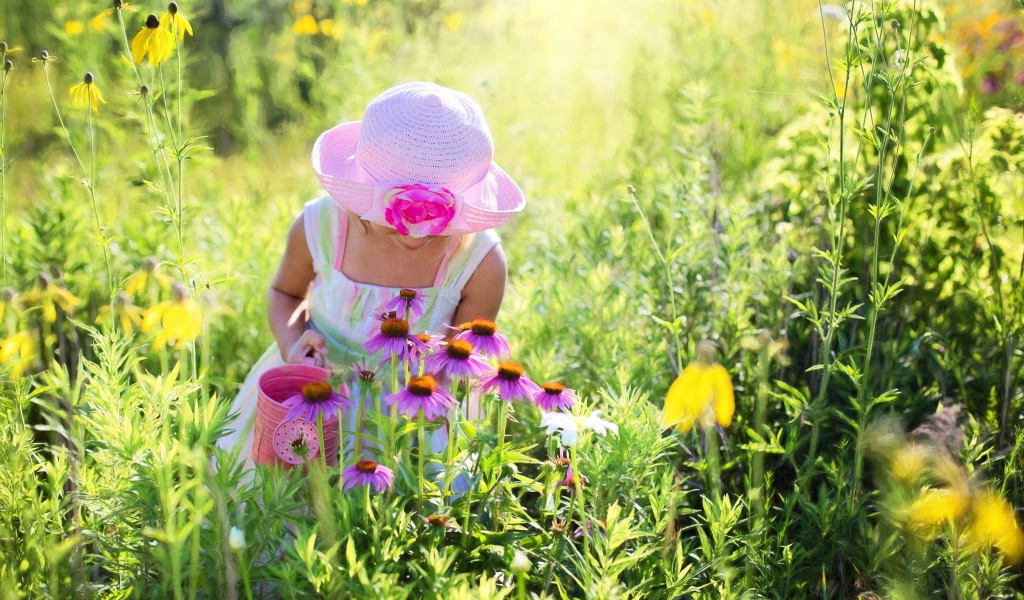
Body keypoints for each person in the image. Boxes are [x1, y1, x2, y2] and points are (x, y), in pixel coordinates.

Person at [216, 81, 525, 472]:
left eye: (434, 221)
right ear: (360, 193)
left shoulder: (479, 262)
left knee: (401, 513)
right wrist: (293, 345)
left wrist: (438, 391)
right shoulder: (321, 228)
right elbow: (284, 293)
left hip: (408, 412)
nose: (416, 231)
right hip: (316, 390)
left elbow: (461, 357)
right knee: (284, 500)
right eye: (400, 218)